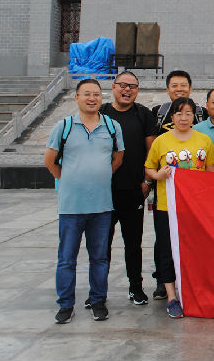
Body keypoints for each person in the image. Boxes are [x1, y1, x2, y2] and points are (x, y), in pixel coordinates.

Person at [44, 79, 124, 324]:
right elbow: (51, 161)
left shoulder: (112, 126)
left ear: (102, 98)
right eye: (87, 94)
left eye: (97, 95)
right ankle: (65, 304)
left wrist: (96, 177)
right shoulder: (64, 127)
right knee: (67, 258)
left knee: (99, 257)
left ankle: (98, 300)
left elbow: (117, 158)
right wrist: (70, 180)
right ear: (76, 97)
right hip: (71, 207)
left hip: (101, 205)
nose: (92, 98)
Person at [145, 97, 214, 319]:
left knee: (196, 250)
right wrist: (159, 175)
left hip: (195, 208)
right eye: (179, 113)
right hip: (167, 206)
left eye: (188, 113)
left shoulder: (204, 140)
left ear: (194, 117)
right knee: (167, 250)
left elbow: (211, 173)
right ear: (172, 117)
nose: (183, 117)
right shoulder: (162, 141)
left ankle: (196, 292)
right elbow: (149, 169)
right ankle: (171, 297)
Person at [101, 71, 158, 307]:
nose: (127, 90)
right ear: (113, 87)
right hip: (102, 192)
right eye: (123, 85)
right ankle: (98, 291)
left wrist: (146, 183)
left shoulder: (143, 114)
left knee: (133, 243)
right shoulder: (101, 112)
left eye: (133, 86)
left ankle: (135, 287)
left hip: (133, 190)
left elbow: (152, 153)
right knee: (101, 243)